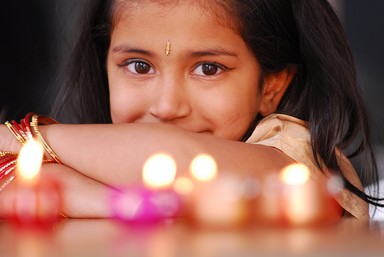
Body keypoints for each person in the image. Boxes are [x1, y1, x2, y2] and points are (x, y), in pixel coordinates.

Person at [0, 0, 382, 221]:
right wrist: (115, 202)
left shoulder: (298, 156)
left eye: (208, 69)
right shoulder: (106, 155)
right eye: (138, 66)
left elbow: (180, 158)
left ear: (271, 85)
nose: (167, 107)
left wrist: (28, 136)